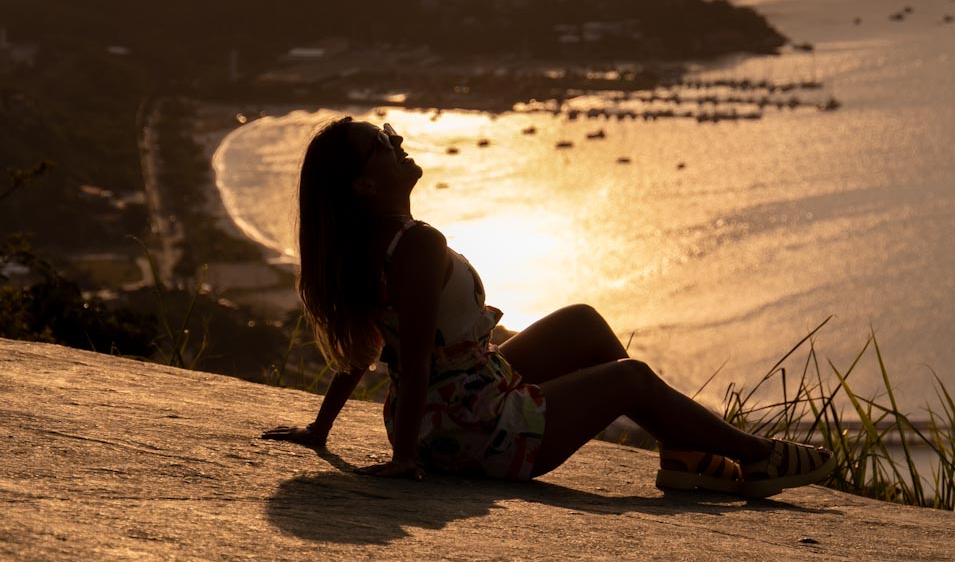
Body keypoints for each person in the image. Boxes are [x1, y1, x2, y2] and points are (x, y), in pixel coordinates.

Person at [262, 118, 834, 497]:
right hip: (477, 428)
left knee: (581, 321)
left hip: (451, 407)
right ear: (364, 185)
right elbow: (406, 354)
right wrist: (405, 459)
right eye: (383, 143)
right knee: (630, 378)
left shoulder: (370, 245)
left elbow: (366, 349)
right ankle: (756, 456)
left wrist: (321, 429)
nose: (398, 141)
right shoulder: (415, 245)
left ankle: (683, 456)